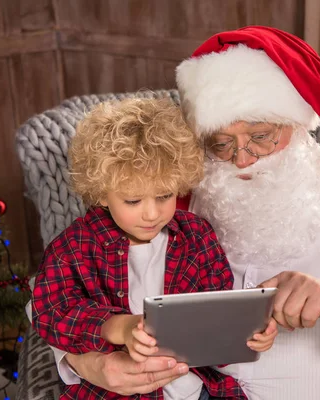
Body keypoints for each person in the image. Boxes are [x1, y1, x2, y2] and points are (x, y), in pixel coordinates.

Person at [40, 27, 320, 400]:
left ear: (298, 121)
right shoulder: (169, 198)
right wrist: (92, 364)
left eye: (262, 137)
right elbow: (55, 292)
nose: (242, 159)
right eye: (220, 143)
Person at [30, 98, 278, 400]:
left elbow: (218, 316)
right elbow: (50, 313)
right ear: (102, 194)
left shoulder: (196, 237)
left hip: (195, 389)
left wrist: (248, 334)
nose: (151, 214)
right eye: (133, 201)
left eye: (164, 196)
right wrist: (116, 328)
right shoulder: (76, 246)